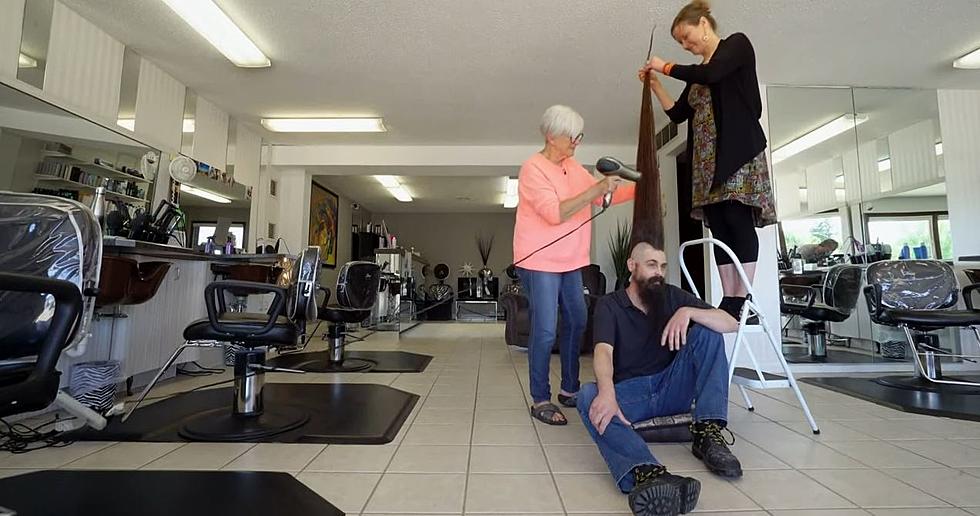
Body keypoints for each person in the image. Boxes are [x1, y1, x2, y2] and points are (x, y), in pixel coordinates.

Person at [578, 240, 742, 516]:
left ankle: (707, 435)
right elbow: (603, 352)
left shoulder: (673, 297)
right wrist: (607, 392)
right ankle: (648, 472)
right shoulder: (609, 305)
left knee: (708, 332)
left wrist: (688, 312)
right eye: (651, 265)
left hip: (672, 386)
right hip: (633, 393)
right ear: (632, 266)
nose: (659, 272)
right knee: (588, 396)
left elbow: (731, 323)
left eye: (663, 266)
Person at [639, 0, 776, 322]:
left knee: (736, 218)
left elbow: (713, 72)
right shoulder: (697, 78)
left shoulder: (736, 47)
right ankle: (730, 299)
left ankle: (745, 297)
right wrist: (656, 85)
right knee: (720, 225)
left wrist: (665, 66)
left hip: (737, 152)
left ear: (703, 23)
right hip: (706, 163)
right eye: (681, 43)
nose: (686, 46)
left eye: (686, 37)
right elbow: (678, 113)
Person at [514, 104, 635, 425]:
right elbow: (556, 213)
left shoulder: (573, 167)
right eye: (572, 137)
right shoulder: (533, 169)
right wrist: (596, 187)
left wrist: (642, 188)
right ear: (552, 136)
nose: (577, 142)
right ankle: (540, 398)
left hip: (571, 261)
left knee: (578, 319)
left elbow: (601, 197)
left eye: (579, 136)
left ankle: (570, 390)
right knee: (544, 329)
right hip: (538, 259)